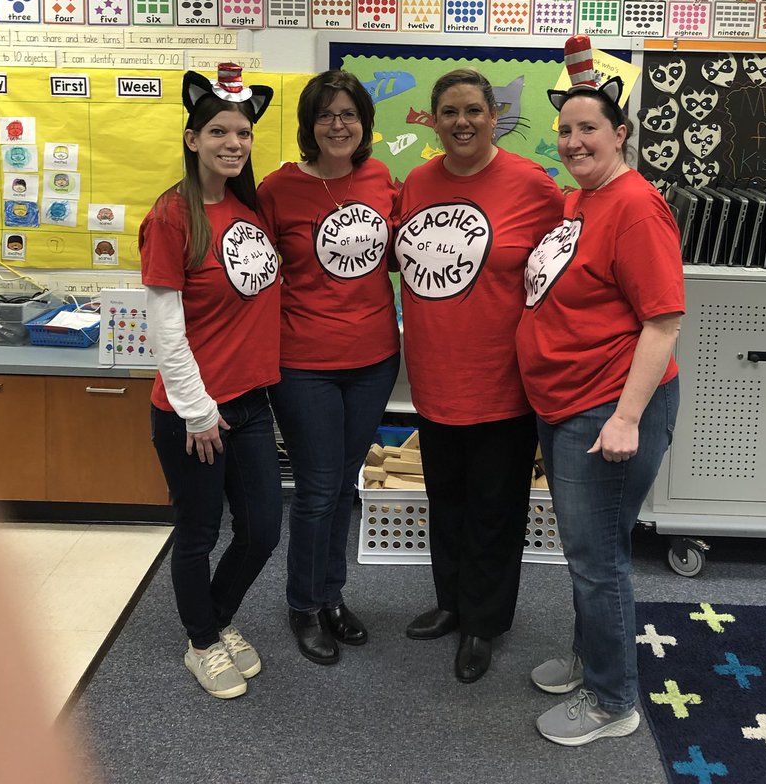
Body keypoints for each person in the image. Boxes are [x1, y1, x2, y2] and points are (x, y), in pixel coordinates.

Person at [515, 37, 684, 747]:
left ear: (621, 133)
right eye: (565, 129)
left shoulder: (635, 206)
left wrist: (626, 417)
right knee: (589, 550)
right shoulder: (581, 199)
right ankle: (591, 659)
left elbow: (663, 320)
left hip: (606, 408)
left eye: (589, 128)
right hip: (565, 403)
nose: (574, 141)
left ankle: (614, 701)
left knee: (597, 560)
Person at [396, 68, 564, 683]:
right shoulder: (417, 182)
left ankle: (483, 623)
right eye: (449, 112)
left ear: (495, 116)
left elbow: (564, 268)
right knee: (446, 501)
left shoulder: (533, 185)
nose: (461, 122)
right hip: (434, 376)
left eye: (473, 110)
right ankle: (451, 602)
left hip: (502, 380)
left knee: (495, 508)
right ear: (434, 121)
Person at [140, 63, 282, 699]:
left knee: (262, 530)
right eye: (219, 131)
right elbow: (166, 327)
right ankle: (202, 642)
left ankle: (216, 619)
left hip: (250, 403)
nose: (233, 142)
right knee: (199, 533)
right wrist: (197, 410)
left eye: (243, 132)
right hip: (194, 412)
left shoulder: (248, 208)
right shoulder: (173, 214)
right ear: (192, 138)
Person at [257, 70, 400, 666]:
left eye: (348, 114)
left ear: (364, 122)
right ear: (308, 125)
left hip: (374, 359)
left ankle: (332, 595)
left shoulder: (381, 179)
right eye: (325, 115)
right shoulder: (277, 189)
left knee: (344, 484)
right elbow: (252, 273)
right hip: (304, 362)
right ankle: (304, 604)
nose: (338, 125)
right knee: (317, 488)